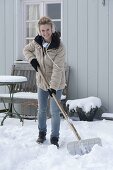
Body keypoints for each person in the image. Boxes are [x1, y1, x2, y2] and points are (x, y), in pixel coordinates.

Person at [23, 16, 66, 148]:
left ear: (52, 29)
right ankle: (42, 133)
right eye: (42, 30)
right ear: (39, 31)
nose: (45, 33)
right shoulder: (37, 42)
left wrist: (52, 87)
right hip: (41, 82)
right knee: (41, 110)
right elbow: (26, 50)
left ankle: (54, 137)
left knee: (54, 111)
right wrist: (33, 61)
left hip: (56, 84)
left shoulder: (59, 47)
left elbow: (58, 70)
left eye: (47, 29)